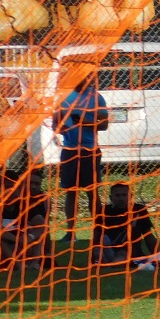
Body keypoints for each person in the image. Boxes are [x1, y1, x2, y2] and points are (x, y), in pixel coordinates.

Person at [55, 72, 107, 245]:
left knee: (92, 192)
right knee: (71, 192)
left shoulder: (96, 97)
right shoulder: (63, 96)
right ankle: (71, 233)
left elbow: (105, 124)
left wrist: (86, 122)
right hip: (70, 150)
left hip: (89, 151)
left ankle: (98, 232)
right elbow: (57, 123)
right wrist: (60, 128)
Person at [91, 181, 157, 264]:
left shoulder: (138, 210)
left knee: (121, 255)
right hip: (109, 249)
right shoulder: (104, 211)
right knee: (97, 251)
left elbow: (148, 235)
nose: (121, 198)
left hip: (129, 251)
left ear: (131, 196)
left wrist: (158, 256)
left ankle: (110, 265)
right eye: (117, 195)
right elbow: (96, 235)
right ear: (111, 198)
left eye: (124, 195)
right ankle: (106, 263)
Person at [0, 170, 52, 270]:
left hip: (22, 246)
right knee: (0, 240)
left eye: (11, 187)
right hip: (2, 248)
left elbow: (43, 226)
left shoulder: (25, 205)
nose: (8, 191)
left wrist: (30, 237)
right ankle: (20, 266)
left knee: (38, 234)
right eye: (5, 187)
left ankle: (35, 263)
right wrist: (18, 240)